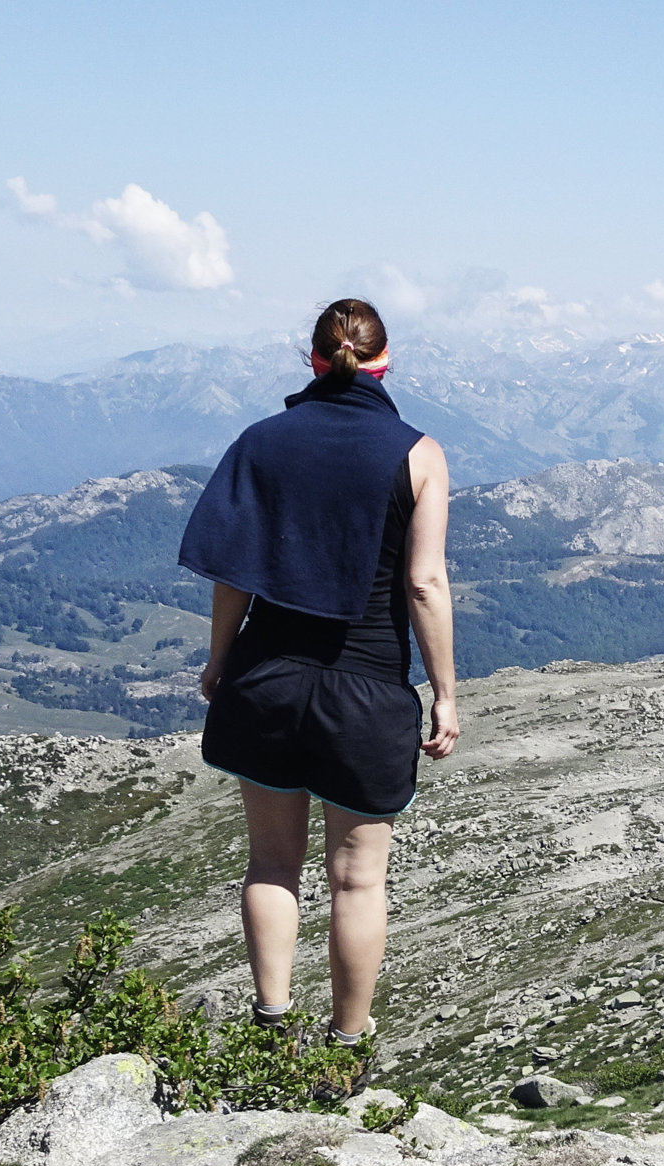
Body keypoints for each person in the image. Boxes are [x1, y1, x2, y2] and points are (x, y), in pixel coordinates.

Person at [178, 298, 459, 1047]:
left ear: (312, 359)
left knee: (271, 864)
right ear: (385, 362)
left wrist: (220, 657)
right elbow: (424, 586)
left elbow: (232, 571)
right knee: (357, 882)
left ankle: (271, 1027)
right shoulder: (418, 455)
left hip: (266, 678)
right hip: (365, 694)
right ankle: (346, 1049)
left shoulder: (261, 442)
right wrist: (445, 695)